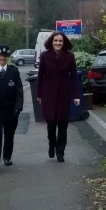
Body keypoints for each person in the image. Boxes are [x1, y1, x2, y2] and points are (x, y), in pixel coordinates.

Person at [37, 31, 80, 162]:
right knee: (51, 124)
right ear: (51, 42)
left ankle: (60, 152)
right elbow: (40, 76)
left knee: (63, 125)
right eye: (55, 41)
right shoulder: (44, 56)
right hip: (48, 94)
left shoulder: (70, 56)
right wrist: (39, 95)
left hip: (64, 94)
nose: (58, 43)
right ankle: (52, 144)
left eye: (60, 41)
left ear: (64, 42)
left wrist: (76, 96)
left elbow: (73, 77)